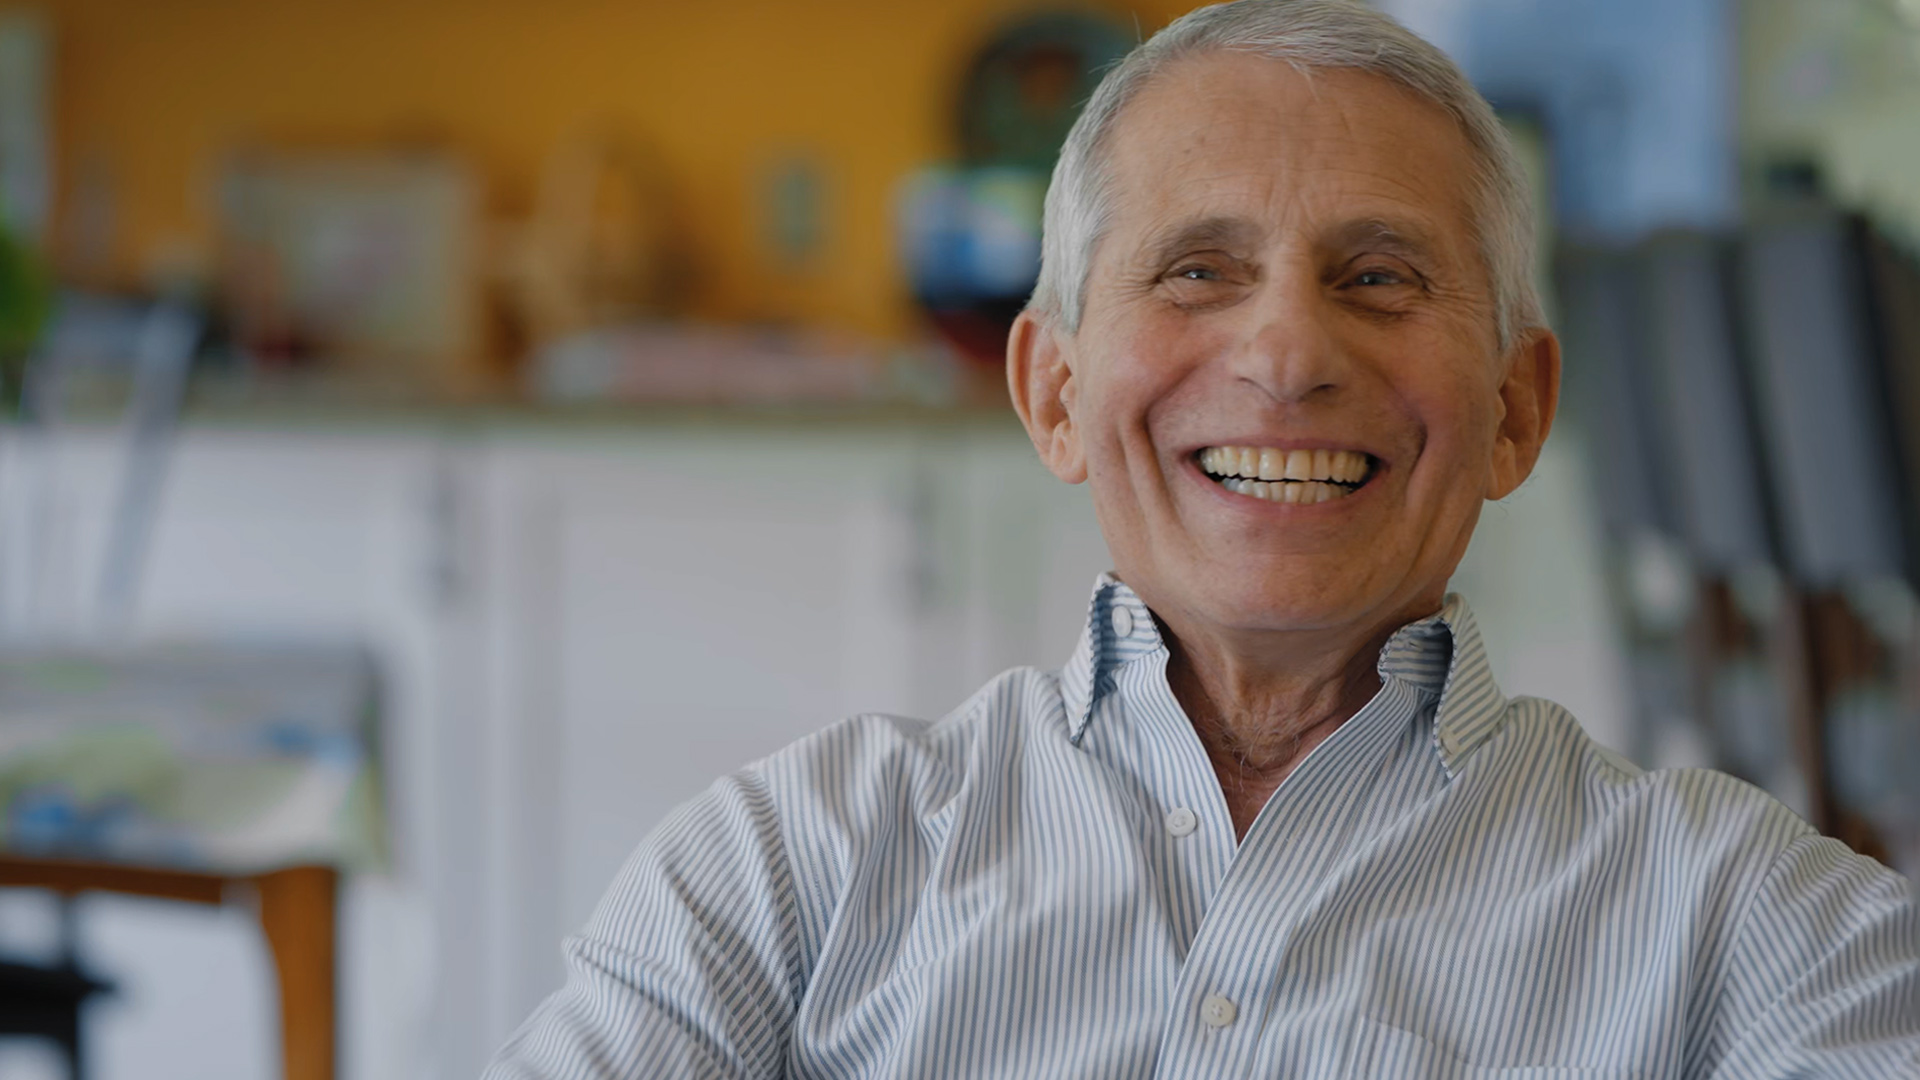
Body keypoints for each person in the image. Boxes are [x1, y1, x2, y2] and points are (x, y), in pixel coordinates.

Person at [485, 1, 1920, 1076]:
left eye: (1379, 275)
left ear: (1516, 409)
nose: (1288, 350)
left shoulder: (1748, 933)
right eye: (1197, 270)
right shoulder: (786, 872)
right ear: (1052, 391)